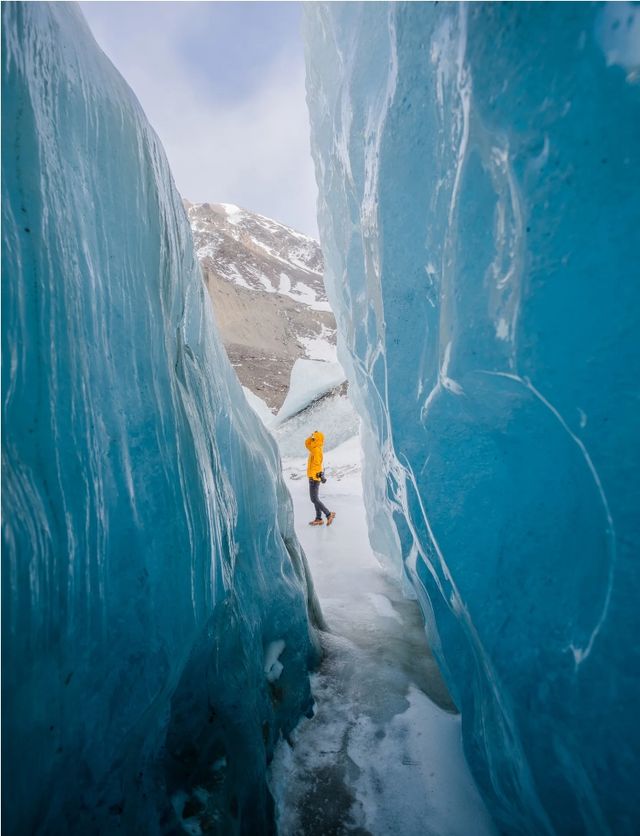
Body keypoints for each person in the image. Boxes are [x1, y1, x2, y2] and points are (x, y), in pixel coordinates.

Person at [305, 430, 335, 526]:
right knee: (315, 499)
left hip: (314, 478)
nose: (312, 439)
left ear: (317, 439)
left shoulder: (316, 450)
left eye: (314, 438)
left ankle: (328, 514)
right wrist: (312, 435)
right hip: (313, 477)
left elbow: (317, 465)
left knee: (314, 500)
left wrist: (314, 476)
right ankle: (318, 519)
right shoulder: (314, 448)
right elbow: (306, 443)